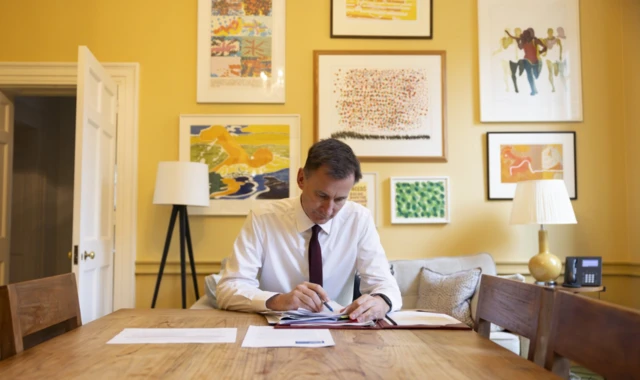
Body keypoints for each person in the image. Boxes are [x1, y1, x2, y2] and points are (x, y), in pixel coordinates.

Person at [216, 138, 402, 323]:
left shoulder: (359, 219)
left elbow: (386, 285)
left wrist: (381, 302)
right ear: (301, 179)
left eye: (339, 200)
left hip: (340, 332)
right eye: (322, 195)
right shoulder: (262, 219)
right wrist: (279, 300)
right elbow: (228, 289)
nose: (328, 210)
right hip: (276, 331)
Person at [506, 28, 547, 95]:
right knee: (529, 76)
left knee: (536, 76)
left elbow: (545, 47)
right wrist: (517, 41)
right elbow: (520, 47)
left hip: (535, 61)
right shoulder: (523, 41)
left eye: (527, 35)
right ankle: (533, 90)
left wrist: (540, 52)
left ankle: (534, 88)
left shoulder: (535, 40)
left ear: (530, 35)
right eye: (525, 35)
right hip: (527, 60)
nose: (526, 37)